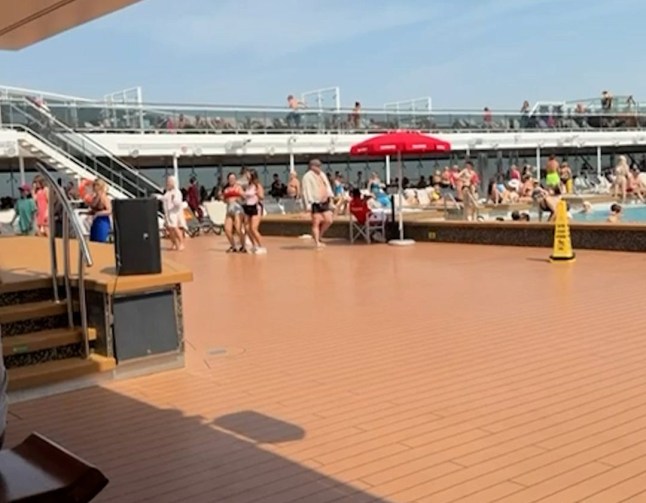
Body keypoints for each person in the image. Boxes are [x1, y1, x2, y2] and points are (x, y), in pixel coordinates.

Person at [302, 158, 334, 248]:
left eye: (320, 165)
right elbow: (306, 190)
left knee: (329, 220)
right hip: (314, 202)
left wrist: (330, 197)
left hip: (324, 201)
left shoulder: (322, 174)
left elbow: (327, 186)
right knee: (316, 222)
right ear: (312, 166)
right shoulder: (307, 177)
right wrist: (308, 204)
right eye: (317, 166)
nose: (319, 167)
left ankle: (319, 235)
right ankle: (317, 242)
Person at [241, 169, 266, 254]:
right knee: (247, 228)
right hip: (248, 207)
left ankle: (261, 246)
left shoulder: (257, 185)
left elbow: (262, 196)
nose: (247, 176)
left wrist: (257, 193)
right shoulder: (248, 185)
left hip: (256, 207)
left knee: (253, 228)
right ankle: (254, 245)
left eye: (248, 175)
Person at [222, 172, 245, 252]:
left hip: (237, 209)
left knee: (238, 228)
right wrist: (225, 199)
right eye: (230, 178)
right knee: (227, 229)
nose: (232, 180)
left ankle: (243, 245)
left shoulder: (238, 187)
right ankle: (233, 246)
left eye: (233, 178)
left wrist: (238, 197)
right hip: (229, 209)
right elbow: (224, 200)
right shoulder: (226, 189)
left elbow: (244, 197)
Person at [162, 175, 185, 251]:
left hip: (174, 213)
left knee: (175, 228)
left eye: (169, 182)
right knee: (169, 229)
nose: (168, 183)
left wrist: (173, 199)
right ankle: (174, 243)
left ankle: (181, 243)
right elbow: (164, 199)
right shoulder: (168, 192)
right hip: (168, 213)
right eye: (167, 182)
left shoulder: (177, 192)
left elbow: (178, 203)